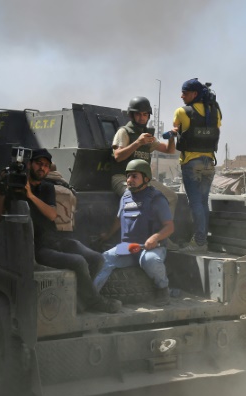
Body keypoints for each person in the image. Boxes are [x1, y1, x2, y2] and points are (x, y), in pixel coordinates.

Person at [0, 148, 121, 313]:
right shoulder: (14, 188)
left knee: (97, 258)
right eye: (39, 163)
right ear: (29, 164)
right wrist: (3, 192)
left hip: (56, 241)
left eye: (46, 165)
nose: (42, 168)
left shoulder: (47, 188)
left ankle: (80, 301)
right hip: (37, 248)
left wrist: (30, 196)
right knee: (79, 261)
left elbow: (52, 214)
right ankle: (94, 302)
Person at [94, 160, 174, 306]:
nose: (130, 180)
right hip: (129, 248)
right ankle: (92, 297)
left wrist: (155, 237)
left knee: (150, 261)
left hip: (151, 248)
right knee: (105, 259)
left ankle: (163, 289)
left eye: (134, 176)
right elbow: (119, 220)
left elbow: (169, 227)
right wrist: (107, 235)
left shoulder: (156, 198)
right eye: (128, 176)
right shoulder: (125, 197)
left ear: (146, 179)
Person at [110, 97, 179, 248]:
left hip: (144, 179)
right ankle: (134, 239)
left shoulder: (147, 135)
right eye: (138, 114)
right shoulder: (124, 132)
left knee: (171, 197)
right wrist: (137, 143)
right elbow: (118, 156)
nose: (142, 118)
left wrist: (171, 137)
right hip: (122, 177)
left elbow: (169, 150)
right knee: (136, 196)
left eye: (145, 115)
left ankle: (162, 237)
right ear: (132, 115)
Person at [171, 78, 222, 252]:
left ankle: (199, 242)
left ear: (194, 94)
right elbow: (216, 127)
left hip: (192, 163)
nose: (181, 96)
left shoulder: (182, 112)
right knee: (203, 202)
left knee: (195, 203)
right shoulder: (215, 111)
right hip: (209, 163)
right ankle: (202, 240)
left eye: (184, 93)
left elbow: (175, 128)